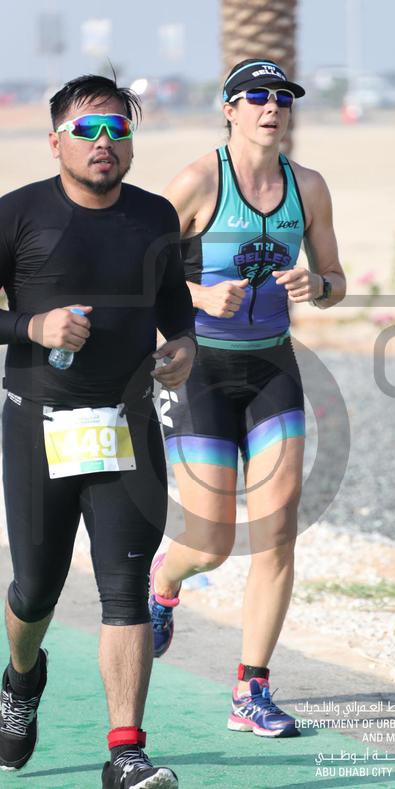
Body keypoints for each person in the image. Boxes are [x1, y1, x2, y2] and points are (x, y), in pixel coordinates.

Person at [0, 74, 196, 788]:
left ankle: (125, 752)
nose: (104, 141)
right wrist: (32, 327)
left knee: (125, 588)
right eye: (87, 129)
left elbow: (176, 304)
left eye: (118, 128)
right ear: (56, 142)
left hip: (126, 425)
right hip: (38, 425)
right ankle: (21, 678)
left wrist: (184, 345)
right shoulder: (18, 214)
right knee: (35, 590)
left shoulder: (154, 217)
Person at [149, 59, 346, 737]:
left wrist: (317, 286)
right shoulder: (198, 182)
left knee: (278, 530)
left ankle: (251, 688)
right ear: (228, 108)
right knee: (210, 541)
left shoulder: (308, 187)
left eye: (282, 97)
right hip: (199, 369)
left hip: (271, 368)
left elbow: (336, 278)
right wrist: (200, 296)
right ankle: (165, 582)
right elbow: (142, 271)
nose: (272, 107)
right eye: (256, 96)